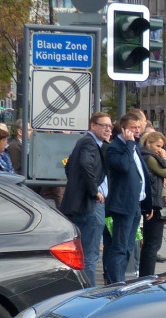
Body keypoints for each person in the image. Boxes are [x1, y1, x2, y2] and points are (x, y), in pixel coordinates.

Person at [60, 111, 112, 286]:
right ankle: (88, 294)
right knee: (90, 255)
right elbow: (84, 164)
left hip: (80, 205)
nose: (107, 129)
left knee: (81, 253)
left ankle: (77, 290)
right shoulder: (90, 143)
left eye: (110, 126)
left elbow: (69, 168)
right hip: (90, 206)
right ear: (93, 125)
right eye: (104, 125)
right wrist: (94, 191)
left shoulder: (87, 142)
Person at [103, 111, 147, 284]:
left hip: (136, 205)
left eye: (138, 127)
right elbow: (123, 166)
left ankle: (120, 278)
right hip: (123, 205)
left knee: (129, 247)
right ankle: (115, 281)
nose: (136, 131)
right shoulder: (116, 147)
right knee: (119, 247)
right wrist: (129, 144)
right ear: (123, 129)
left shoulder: (133, 146)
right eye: (132, 128)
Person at [138, 131, 166, 276]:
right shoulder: (150, 158)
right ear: (148, 143)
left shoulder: (145, 155)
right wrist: (164, 157)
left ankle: (146, 275)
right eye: (158, 145)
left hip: (152, 202)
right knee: (152, 244)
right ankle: (147, 276)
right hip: (154, 204)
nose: (160, 149)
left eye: (162, 146)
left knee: (150, 244)